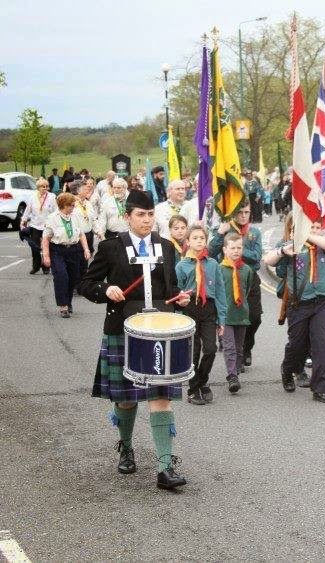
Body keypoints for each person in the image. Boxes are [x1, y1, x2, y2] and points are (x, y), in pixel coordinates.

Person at [77, 190, 190, 491]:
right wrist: (105, 290)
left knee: (160, 397)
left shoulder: (166, 247)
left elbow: (171, 289)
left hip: (160, 333)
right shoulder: (111, 248)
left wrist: (180, 298)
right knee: (126, 399)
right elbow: (86, 284)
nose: (147, 220)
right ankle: (126, 446)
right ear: (127, 217)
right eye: (141, 215)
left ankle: (165, 467)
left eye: (151, 214)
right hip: (123, 330)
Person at [263, 215, 325, 403]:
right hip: (299, 304)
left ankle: (321, 388)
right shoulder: (291, 245)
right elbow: (268, 260)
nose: (314, 230)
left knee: (323, 346)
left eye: (317, 227)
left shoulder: (322, 245)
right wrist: (283, 250)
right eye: (310, 227)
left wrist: (308, 236)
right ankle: (288, 370)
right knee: (297, 345)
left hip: (322, 302)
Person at [176, 225, 227, 405]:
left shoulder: (213, 264)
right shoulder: (181, 265)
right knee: (194, 351)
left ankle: (202, 381)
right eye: (195, 238)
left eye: (202, 238)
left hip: (208, 308)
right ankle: (193, 390)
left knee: (211, 349)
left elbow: (220, 292)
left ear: (206, 241)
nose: (199, 241)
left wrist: (222, 319)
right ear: (188, 241)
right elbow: (177, 290)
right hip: (190, 308)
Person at [209, 203, 264, 368]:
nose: (244, 215)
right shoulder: (224, 228)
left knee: (254, 317)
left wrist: (237, 249)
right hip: (226, 276)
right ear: (233, 213)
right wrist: (220, 233)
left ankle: (246, 348)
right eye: (240, 212)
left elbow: (256, 256)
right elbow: (211, 252)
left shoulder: (254, 232)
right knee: (229, 315)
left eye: (247, 212)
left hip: (249, 277)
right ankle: (232, 351)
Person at [41, 193, 92, 318]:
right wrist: (46, 256)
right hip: (57, 250)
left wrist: (86, 249)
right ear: (63, 205)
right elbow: (46, 238)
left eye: (74, 205)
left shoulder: (75, 216)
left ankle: (68, 302)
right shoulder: (52, 218)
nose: (73, 207)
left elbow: (81, 234)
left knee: (72, 278)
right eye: (71, 205)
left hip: (73, 249)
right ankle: (63, 306)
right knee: (61, 276)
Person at [219, 233, 253, 394]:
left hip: (241, 314)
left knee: (239, 348)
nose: (236, 251)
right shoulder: (219, 269)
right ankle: (232, 376)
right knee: (229, 347)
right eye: (232, 248)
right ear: (225, 249)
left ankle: (236, 372)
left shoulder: (246, 270)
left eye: (239, 248)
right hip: (225, 316)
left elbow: (247, 289)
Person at [21, 177, 57, 275]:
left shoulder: (52, 197)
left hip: (47, 226)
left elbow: (55, 211)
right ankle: (36, 266)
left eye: (46, 186)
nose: (45, 188)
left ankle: (46, 267)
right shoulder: (32, 197)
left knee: (47, 247)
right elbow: (28, 210)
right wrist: (23, 220)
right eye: (43, 187)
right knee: (35, 247)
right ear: (38, 188)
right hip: (35, 225)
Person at [73, 180, 98, 277]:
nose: (88, 190)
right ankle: (77, 282)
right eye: (84, 189)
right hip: (78, 236)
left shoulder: (88, 203)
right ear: (78, 191)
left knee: (85, 261)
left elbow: (93, 219)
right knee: (78, 260)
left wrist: (99, 232)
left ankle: (83, 281)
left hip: (89, 235)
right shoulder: (72, 203)